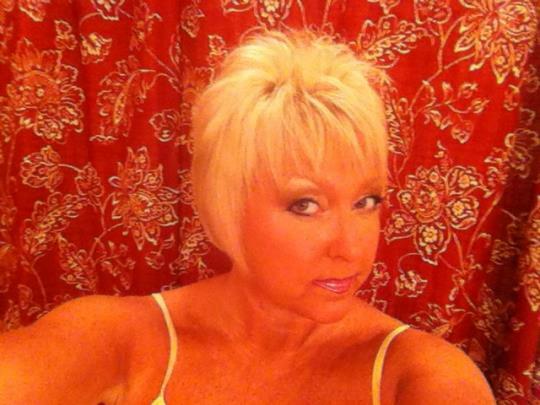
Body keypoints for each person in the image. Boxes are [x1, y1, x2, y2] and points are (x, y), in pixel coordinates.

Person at [0, 29, 495, 404]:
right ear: (227, 204)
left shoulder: (415, 375)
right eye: (306, 205)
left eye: (366, 201)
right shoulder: (122, 340)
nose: (350, 248)